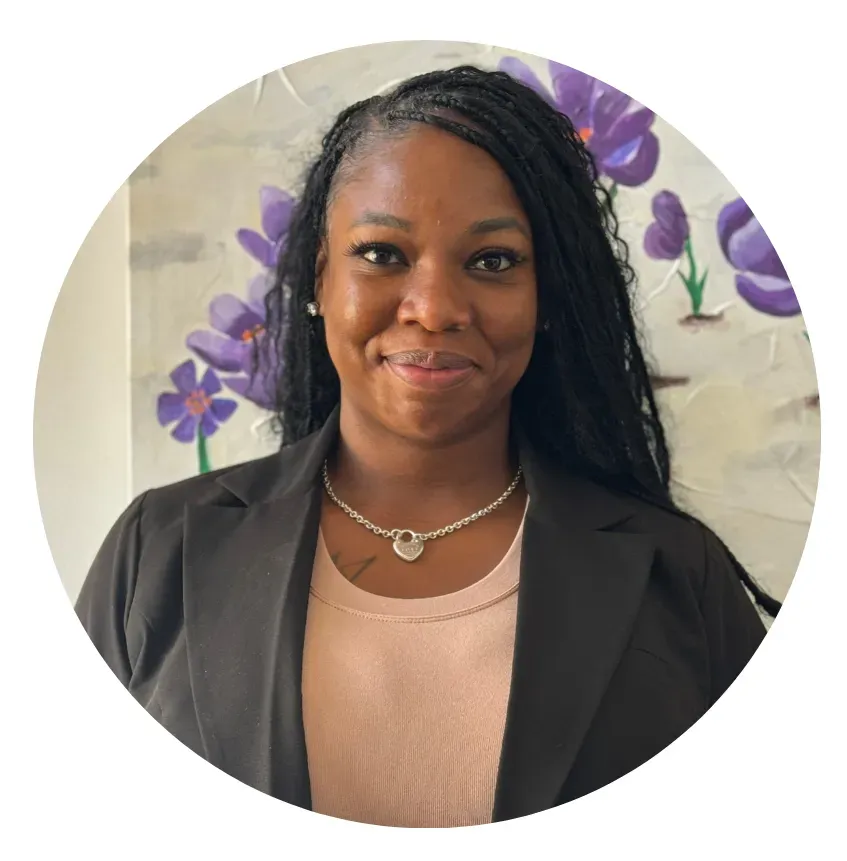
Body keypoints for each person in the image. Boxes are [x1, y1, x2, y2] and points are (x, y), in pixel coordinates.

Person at [76, 65, 779, 828]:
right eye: (382, 253)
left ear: (547, 298)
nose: (435, 308)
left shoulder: (676, 575)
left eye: (493, 261)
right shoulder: (159, 549)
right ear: (319, 275)